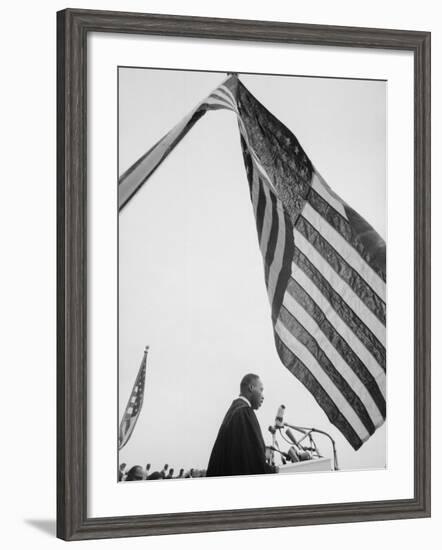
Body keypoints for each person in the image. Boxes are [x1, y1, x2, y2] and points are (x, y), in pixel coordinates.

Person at [206, 373, 277, 477]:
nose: (263, 396)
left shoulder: (234, 411)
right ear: (251, 388)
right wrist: (275, 470)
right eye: (261, 390)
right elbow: (252, 462)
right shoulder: (244, 413)